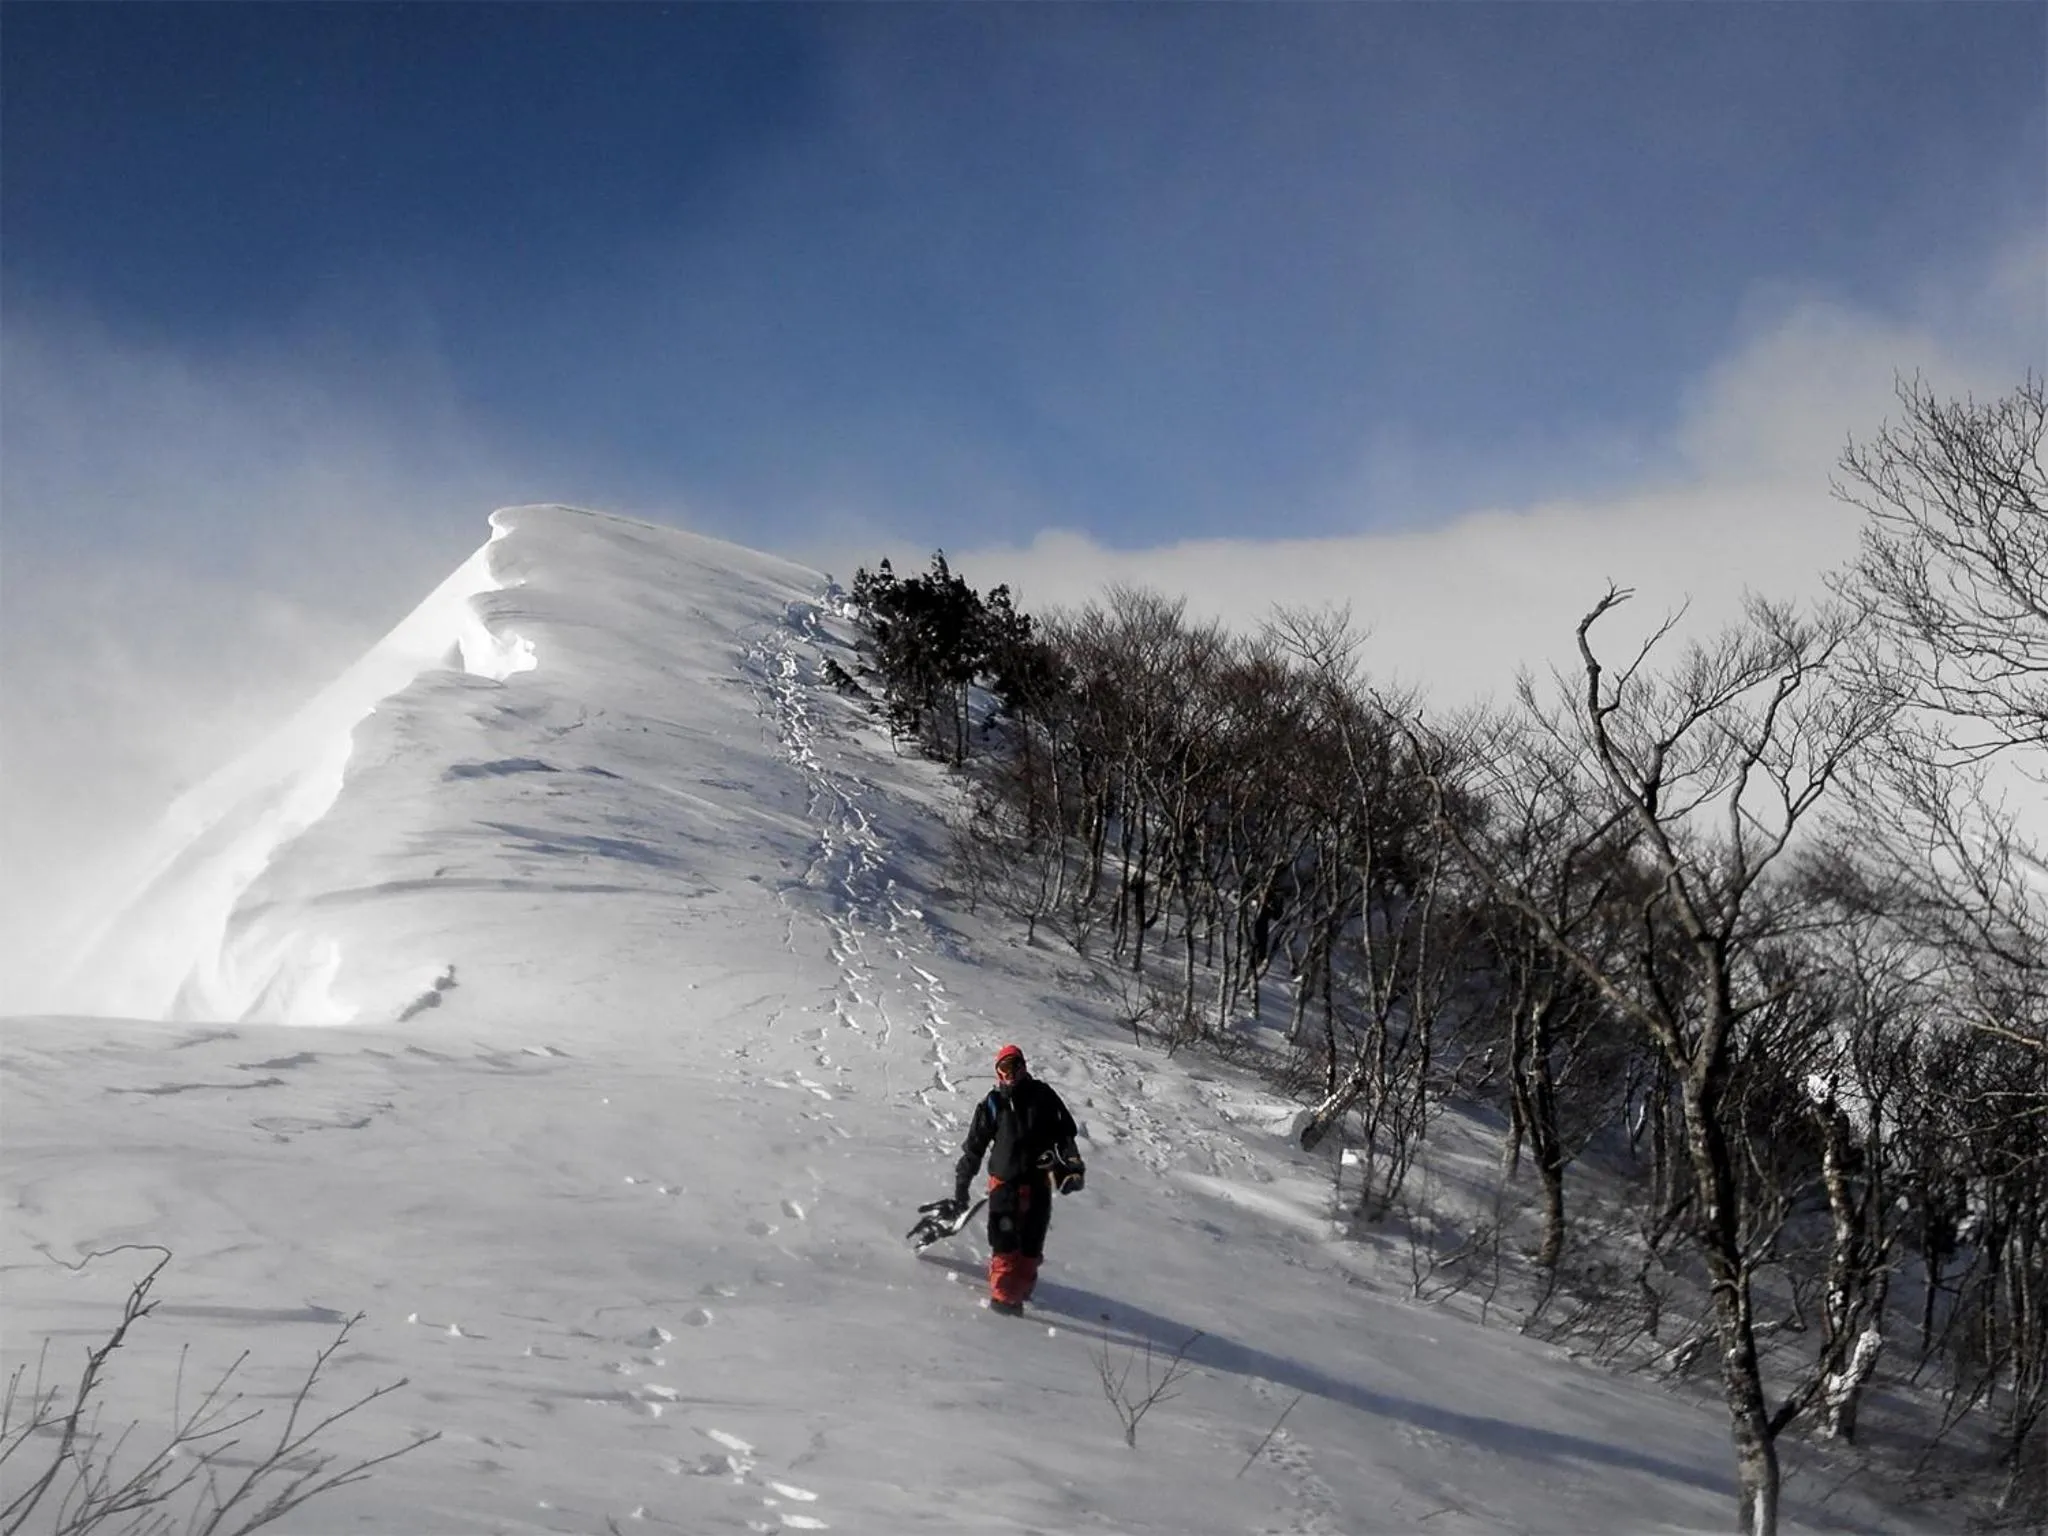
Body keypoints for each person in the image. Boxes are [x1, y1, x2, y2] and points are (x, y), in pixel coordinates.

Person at [949, 1044, 1084, 1314]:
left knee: (1031, 1246)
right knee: (1005, 1242)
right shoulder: (993, 1103)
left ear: (1024, 1067)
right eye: (1004, 1068)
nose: (1011, 1074)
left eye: (1016, 1067)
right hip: (1004, 1182)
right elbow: (974, 1147)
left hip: (1038, 1183)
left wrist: (1070, 1167)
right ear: (998, 1073)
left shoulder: (1043, 1097)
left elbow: (1064, 1134)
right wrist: (962, 1185)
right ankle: (1003, 1299)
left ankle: (1020, 1290)